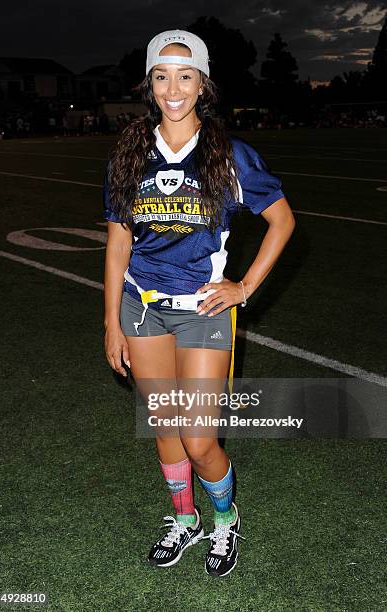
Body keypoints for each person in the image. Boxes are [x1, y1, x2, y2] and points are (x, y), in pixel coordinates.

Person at [103, 29, 295, 577]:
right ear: (149, 84)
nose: (173, 88)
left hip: (202, 310)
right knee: (165, 427)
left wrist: (245, 287)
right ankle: (183, 521)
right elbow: (119, 241)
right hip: (140, 306)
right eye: (162, 76)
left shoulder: (229, 154)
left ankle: (224, 519)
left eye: (185, 76)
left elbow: (282, 220)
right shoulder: (130, 152)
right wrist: (110, 324)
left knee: (198, 436)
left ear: (203, 83)